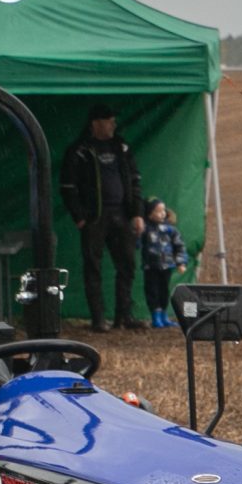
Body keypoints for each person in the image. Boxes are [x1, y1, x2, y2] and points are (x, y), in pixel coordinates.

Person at [60, 103, 144, 332]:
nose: (113, 125)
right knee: (93, 267)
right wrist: (79, 216)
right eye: (109, 121)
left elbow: (135, 181)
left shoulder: (121, 147)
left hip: (122, 214)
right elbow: (68, 187)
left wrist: (137, 213)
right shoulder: (80, 150)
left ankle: (123, 316)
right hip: (94, 217)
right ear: (95, 123)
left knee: (127, 265)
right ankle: (98, 319)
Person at [140, 199, 188, 328]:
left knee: (164, 290)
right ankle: (155, 315)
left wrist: (180, 262)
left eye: (163, 210)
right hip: (151, 266)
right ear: (150, 214)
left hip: (166, 266)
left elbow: (179, 246)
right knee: (152, 291)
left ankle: (163, 315)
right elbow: (137, 242)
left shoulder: (170, 230)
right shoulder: (145, 229)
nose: (162, 213)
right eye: (158, 211)